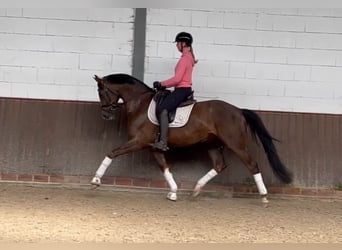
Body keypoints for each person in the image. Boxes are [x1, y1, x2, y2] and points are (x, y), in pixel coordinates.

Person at [152, 31, 197, 151]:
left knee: (163, 109)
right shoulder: (189, 58)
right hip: (183, 89)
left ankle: (163, 142)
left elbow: (177, 79)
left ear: (183, 44)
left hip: (182, 90)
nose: (176, 45)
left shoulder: (185, 60)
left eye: (177, 43)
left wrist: (162, 84)